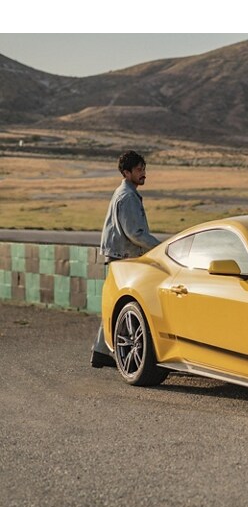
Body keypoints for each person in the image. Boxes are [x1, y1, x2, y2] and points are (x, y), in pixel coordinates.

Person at [91, 150, 162, 368]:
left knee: (117, 304)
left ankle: (102, 351)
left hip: (120, 255)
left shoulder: (126, 193)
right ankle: (116, 352)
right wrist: (161, 249)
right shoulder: (128, 196)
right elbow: (135, 233)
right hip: (124, 258)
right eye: (139, 170)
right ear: (126, 172)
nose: (144, 174)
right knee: (126, 305)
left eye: (144, 169)